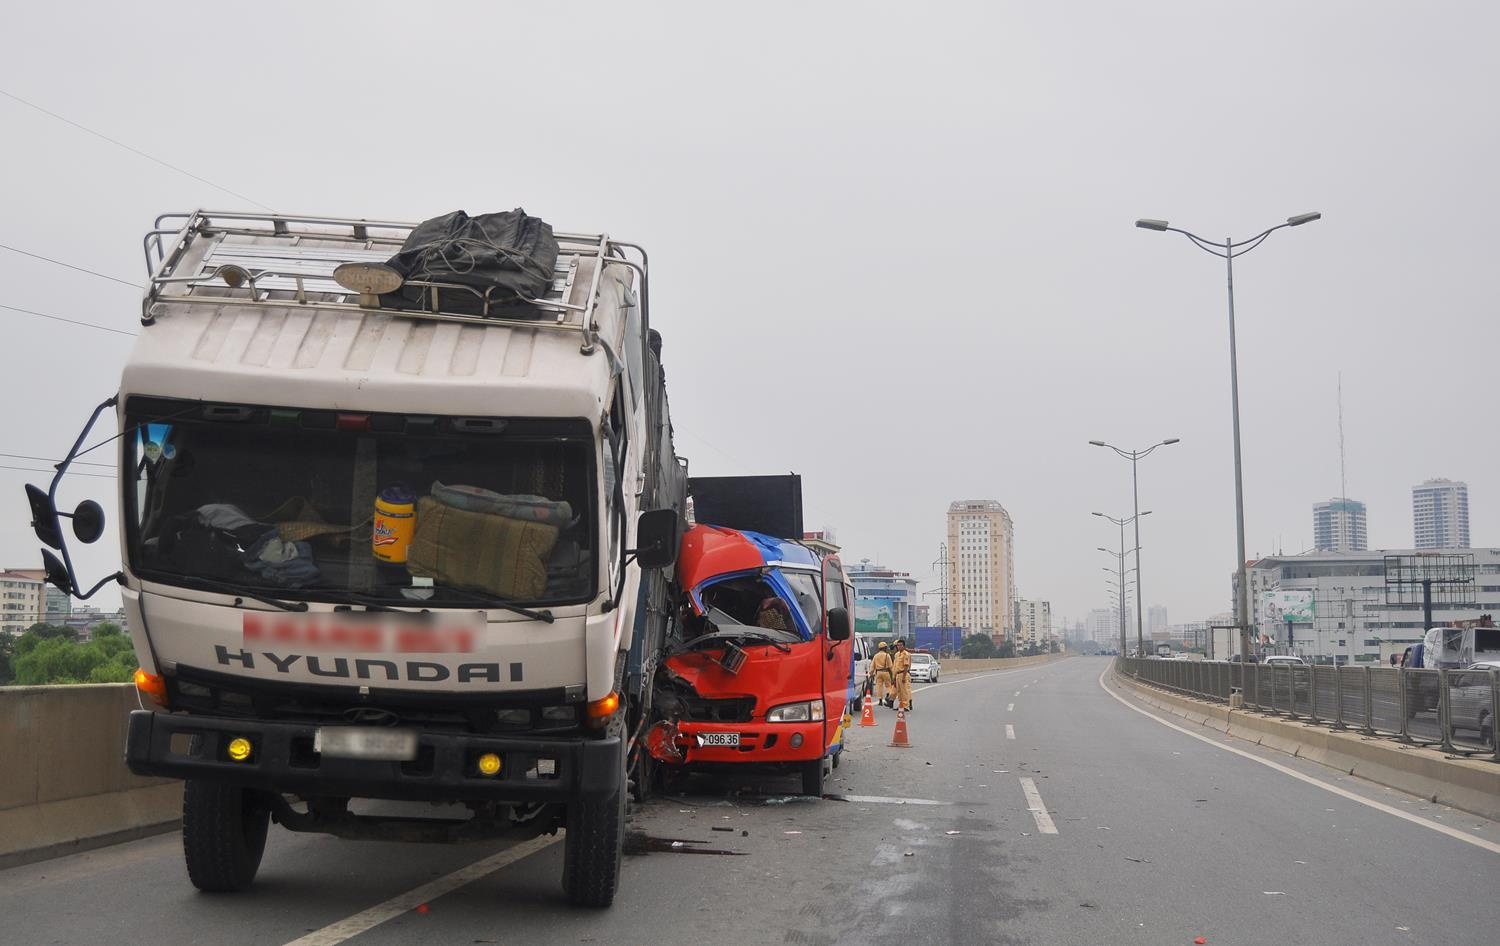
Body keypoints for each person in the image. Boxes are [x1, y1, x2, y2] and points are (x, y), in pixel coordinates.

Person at [892, 638, 913, 711]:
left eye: (901, 645)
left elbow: (906, 666)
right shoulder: (897, 654)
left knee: (904, 691)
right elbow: (895, 666)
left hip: (903, 674)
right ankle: (900, 705)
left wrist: (904, 677)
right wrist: (894, 677)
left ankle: (905, 705)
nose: (899, 647)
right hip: (897, 674)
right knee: (899, 691)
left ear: (904, 646)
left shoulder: (906, 654)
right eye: (898, 645)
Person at [871, 641, 894, 707]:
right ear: (885, 648)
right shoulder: (887, 655)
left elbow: (872, 666)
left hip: (878, 672)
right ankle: (889, 697)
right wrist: (893, 674)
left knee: (879, 686)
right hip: (886, 672)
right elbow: (890, 666)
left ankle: (880, 700)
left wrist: (871, 673)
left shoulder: (876, 656)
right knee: (888, 686)